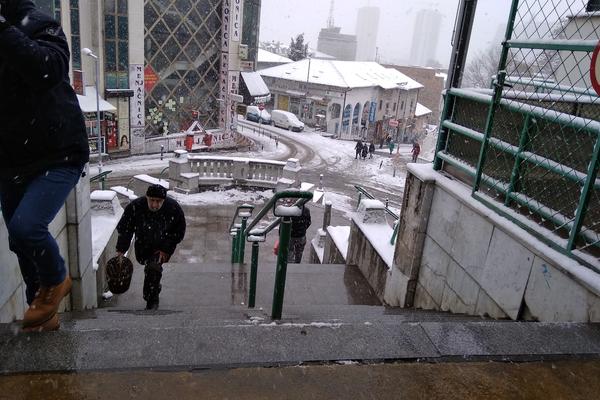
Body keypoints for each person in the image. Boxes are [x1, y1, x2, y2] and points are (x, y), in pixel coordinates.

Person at [0, 0, 89, 332]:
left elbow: (49, 68)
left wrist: (3, 30)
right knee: (19, 242)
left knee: (26, 228)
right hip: (12, 161)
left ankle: (55, 279)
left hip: (59, 152)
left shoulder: (38, 24)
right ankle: (41, 307)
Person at [116, 184, 186, 310]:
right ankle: (154, 287)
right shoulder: (136, 207)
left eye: (158, 201)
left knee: (153, 268)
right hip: (142, 245)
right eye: (152, 200)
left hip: (162, 247)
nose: (154, 205)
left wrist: (166, 248)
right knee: (150, 270)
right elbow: (126, 229)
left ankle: (152, 301)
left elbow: (179, 232)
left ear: (164, 200)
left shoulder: (173, 208)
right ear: (147, 197)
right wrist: (121, 249)